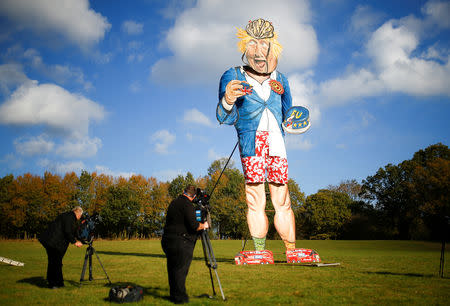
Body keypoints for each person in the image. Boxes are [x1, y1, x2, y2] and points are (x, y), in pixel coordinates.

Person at [216, 19, 297, 258]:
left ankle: (291, 249)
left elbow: (288, 112)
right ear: (246, 47)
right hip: (252, 143)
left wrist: (296, 122)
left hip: (277, 144)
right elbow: (222, 116)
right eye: (254, 44)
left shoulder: (281, 78)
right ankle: (260, 250)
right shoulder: (233, 74)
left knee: (282, 196)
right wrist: (228, 99)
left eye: (265, 44)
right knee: (255, 196)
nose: (260, 51)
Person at [161, 185, 209, 304]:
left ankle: (174, 295)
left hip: (168, 240)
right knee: (180, 271)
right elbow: (194, 226)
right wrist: (205, 225)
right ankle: (180, 298)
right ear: (193, 196)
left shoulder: (174, 202)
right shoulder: (187, 205)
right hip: (181, 242)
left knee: (172, 270)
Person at [38, 206, 83, 288]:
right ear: (78, 213)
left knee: (56, 262)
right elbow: (67, 231)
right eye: (80, 216)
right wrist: (75, 242)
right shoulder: (70, 217)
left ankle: (58, 283)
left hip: (51, 241)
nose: (79, 218)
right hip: (53, 242)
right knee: (55, 262)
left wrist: (79, 238)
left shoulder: (67, 216)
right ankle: (53, 284)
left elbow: (73, 231)